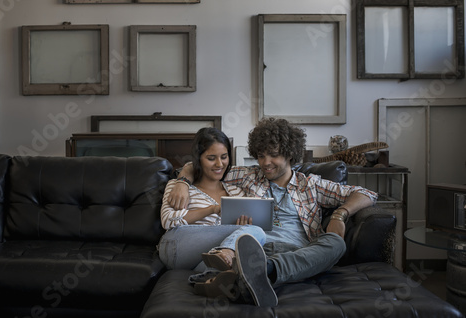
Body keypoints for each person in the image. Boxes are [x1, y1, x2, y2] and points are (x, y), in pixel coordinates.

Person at [169, 118, 378, 307]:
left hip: (297, 255)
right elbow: (201, 164)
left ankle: (252, 273)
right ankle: (250, 276)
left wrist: (339, 214)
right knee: (224, 255)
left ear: (289, 153)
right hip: (253, 249)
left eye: (274, 155)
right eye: (261, 156)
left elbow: (366, 193)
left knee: (336, 243)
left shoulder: (311, 184)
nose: (265, 163)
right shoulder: (249, 176)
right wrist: (181, 182)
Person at [157, 127, 266, 273]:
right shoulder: (179, 186)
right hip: (176, 245)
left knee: (232, 267)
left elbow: (236, 231)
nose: (219, 164)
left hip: (204, 255)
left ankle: (210, 277)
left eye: (224, 157)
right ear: (198, 159)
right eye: (211, 158)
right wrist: (212, 209)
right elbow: (168, 221)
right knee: (255, 232)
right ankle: (228, 251)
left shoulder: (236, 192)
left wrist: (241, 226)